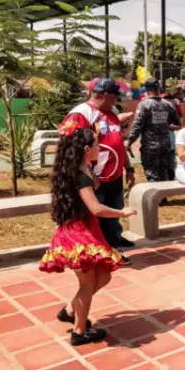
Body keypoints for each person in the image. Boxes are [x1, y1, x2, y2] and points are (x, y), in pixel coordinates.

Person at [39, 122, 135, 346]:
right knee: (88, 283)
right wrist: (123, 211)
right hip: (79, 236)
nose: (99, 146)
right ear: (86, 150)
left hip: (82, 230)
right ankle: (80, 331)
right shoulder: (80, 175)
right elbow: (97, 209)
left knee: (103, 276)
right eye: (96, 143)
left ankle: (71, 310)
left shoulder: (81, 170)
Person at [62, 78, 136, 262]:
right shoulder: (81, 115)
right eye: (114, 97)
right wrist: (90, 174)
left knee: (113, 211)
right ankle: (103, 252)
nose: (116, 101)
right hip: (94, 179)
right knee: (96, 217)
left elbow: (118, 142)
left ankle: (113, 242)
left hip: (114, 176)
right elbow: (71, 150)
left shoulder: (112, 112)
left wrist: (129, 168)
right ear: (103, 96)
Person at [127, 78, 180, 182]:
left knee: (152, 174)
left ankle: (157, 198)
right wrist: (164, 124)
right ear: (158, 88)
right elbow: (178, 123)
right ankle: (163, 197)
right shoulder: (168, 104)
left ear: (146, 90)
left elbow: (137, 126)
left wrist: (129, 142)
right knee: (163, 172)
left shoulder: (144, 105)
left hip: (150, 146)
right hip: (165, 145)